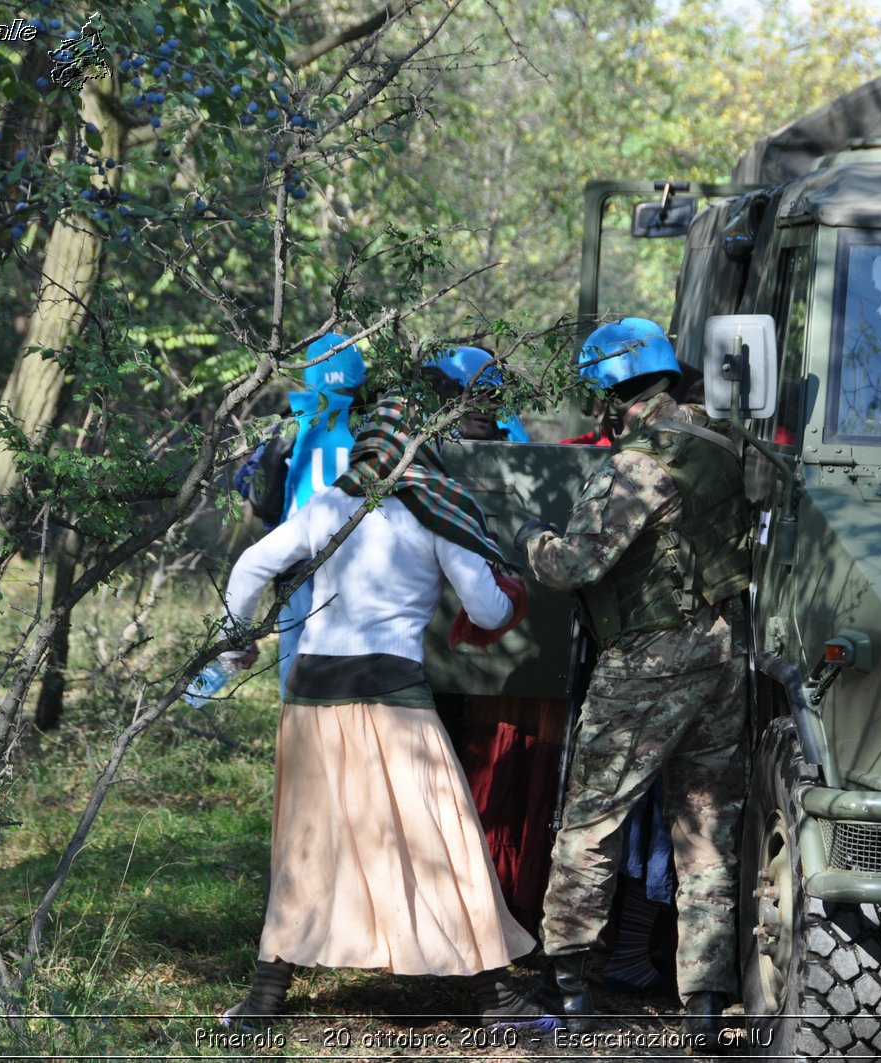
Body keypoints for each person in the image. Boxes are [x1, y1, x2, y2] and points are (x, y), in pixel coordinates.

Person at [220, 387, 556, 1032]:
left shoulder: (331, 503)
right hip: (393, 693)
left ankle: (263, 1000)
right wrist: (510, 591)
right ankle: (495, 999)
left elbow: (251, 564)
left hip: (313, 689)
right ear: (424, 444)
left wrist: (236, 643)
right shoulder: (438, 508)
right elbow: (486, 610)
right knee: (441, 834)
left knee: (306, 838)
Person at [514, 318, 751, 1046]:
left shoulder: (639, 464)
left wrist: (530, 535)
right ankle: (705, 1006)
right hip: (723, 652)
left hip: (648, 659)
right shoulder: (720, 439)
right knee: (707, 831)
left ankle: (570, 988)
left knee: (591, 823)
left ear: (613, 392)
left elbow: (573, 566)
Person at [235, 333, 367, 696]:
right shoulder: (372, 425)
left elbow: (254, 489)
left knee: (296, 653)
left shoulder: (290, 423)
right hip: (360, 555)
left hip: (295, 556)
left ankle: (295, 729)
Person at [425, 345, 531, 442]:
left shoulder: (506, 438)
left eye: (493, 395)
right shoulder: (421, 447)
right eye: (472, 394)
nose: (486, 406)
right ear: (440, 398)